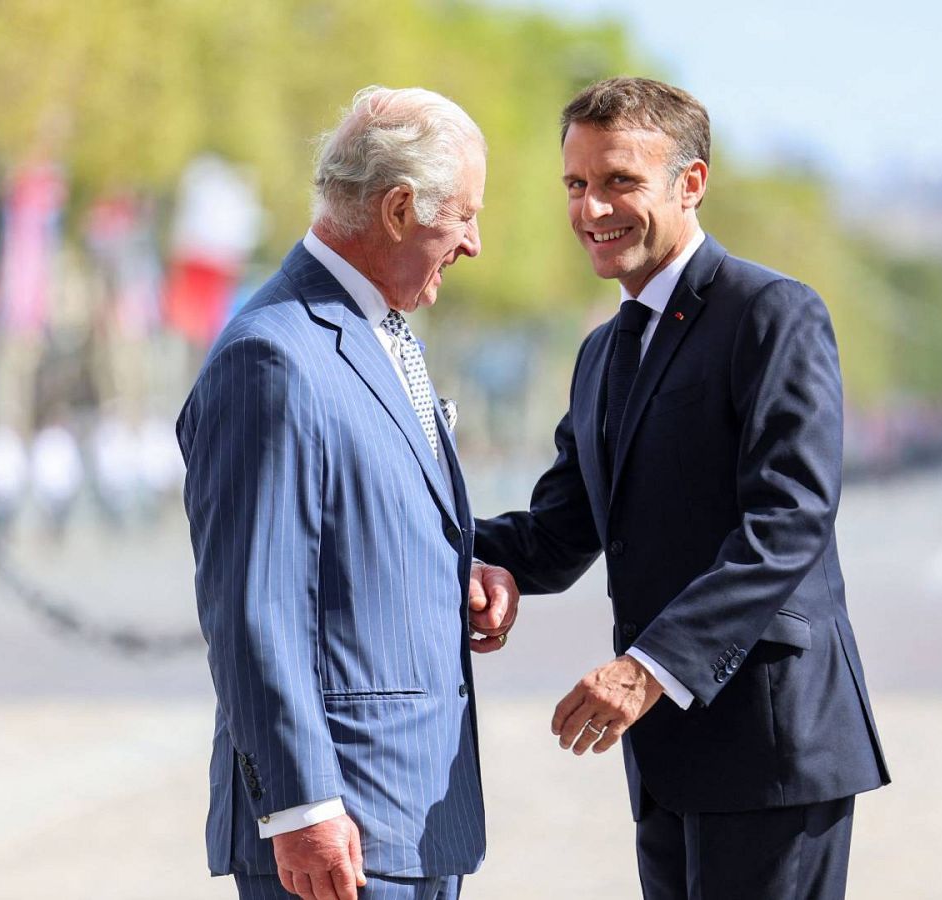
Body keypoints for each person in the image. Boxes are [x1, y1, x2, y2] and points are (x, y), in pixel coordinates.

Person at [474, 77, 889, 899]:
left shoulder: (774, 314)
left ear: (690, 182)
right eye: (577, 185)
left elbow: (790, 520)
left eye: (620, 181)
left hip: (771, 753)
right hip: (665, 757)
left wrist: (645, 670)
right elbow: (557, 537)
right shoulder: (602, 355)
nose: (593, 209)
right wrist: (411, 529)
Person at [177, 86, 516, 900]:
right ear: (399, 208)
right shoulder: (273, 357)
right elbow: (253, 606)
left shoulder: (378, 332)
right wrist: (300, 803)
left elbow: (365, 527)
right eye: (464, 214)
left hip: (413, 820)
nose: (474, 242)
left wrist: (456, 573)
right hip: (341, 830)